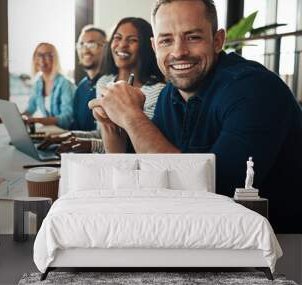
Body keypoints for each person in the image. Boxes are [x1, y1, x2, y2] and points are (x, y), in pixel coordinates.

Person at [89, 0, 302, 233]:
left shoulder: (254, 88)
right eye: (166, 40)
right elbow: (149, 177)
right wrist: (111, 123)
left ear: (218, 40)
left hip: (281, 247)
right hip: (209, 237)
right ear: (154, 46)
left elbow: (212, 193)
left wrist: (131, 116)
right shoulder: (170, 94)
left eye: (193, 37)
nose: (179, 52)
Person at [52, 17, 165, 154]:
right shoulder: (104, 82)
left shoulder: (157, 91)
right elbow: (104, 133)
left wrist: (92, 146)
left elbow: (139, 144)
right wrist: (71, 136)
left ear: (147, 46)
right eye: (117, 38)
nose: (122, 45)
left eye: (132, 40)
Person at [23, 42, 75, 129]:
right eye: (39, 55)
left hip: (66, 134)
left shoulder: (65, 84)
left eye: (47, 55)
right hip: (51, 132)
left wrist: (37, 120)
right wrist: (16, 117)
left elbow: (66, 120)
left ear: (55, 59)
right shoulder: (38, 83)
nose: (42, 60)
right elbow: (30, 109)